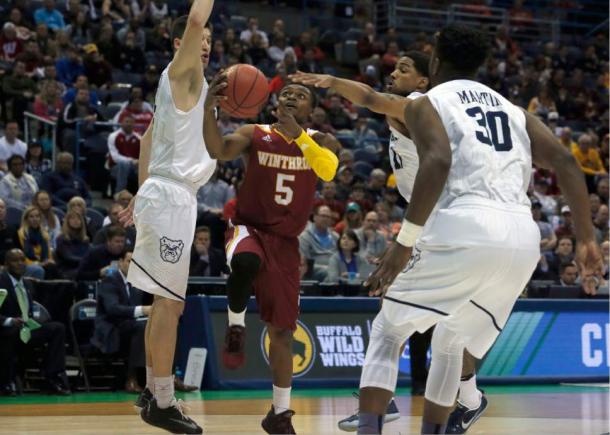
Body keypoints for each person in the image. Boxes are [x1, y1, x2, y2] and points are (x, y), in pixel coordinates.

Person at [293, 24, 602, 434]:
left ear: (434, 61)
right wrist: (586, 239)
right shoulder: (513, 110)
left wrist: (405, 242)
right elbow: (565, 160)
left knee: (388, 330)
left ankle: (371, 425)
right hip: (522, 238)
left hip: (463, 222)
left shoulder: (426, 103)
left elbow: (437, 161)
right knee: (450, 342)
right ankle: (456, 412)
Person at [293, 52, 435, 430]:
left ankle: (381, 405)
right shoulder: (411, 112)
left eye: (404, 70)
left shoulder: (417, 105)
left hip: (438, 225)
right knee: (444, 325)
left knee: (391, 325)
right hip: (433, 225)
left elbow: (370, 98)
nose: (394, 73)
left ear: (423, 81)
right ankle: (463, 397)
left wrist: (332, 80)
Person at [203, 80, 340, 433]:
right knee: (247, 261)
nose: (292, 97)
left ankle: (279, 414)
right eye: (287, 94)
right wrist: (208, 110)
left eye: (301, 95)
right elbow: (219, 149)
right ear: (276, 103)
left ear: (312, 110)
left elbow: (327, 171)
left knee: (282, 333)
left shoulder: (321, 141)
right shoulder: (255, 132)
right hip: (248, 226)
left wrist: (301, 136)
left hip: (285, 243)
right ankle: (235, 325)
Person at [118, 2, 217, 433]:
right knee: (169, 306)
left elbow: (146, 140)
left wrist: (142, 195)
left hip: (172, 196)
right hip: (172, 196)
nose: (207, 46)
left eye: (213, 43)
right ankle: (163, 400)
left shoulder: (191, 85)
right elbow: (196, 19)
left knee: (165, 303)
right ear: (182, 45)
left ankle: (150, 389)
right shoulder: (181, 72)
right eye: (202, 40)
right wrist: (150, 196)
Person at [0, 249, 71, 396]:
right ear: (6, 264)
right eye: (15, 260)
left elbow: (30, 310)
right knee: (11, 332)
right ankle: (7, 381)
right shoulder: (1, 282)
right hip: (6, 329)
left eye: (22, 260)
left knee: (57, 328)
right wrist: (9, 320)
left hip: (26, 328)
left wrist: (33, 320)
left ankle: (52, 377)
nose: (20, 264)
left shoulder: (27, 284)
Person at [93, 250, 151, 393]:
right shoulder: (110, 281)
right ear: (120, 262)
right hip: (112, 328)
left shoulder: (137, 284)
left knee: (163, 326)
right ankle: (131, 378)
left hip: (129, 326)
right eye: (129, 261)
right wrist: (143, 310)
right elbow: (112, 309)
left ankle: (170, 376)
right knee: (141, 327)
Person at [299, 205, 340, 282]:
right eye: (323, 216)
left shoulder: (336, 237)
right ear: (314, 217)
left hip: (334, 268)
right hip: (313, 271)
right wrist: (328, 268)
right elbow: (304, 263)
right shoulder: (304, 237)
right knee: (330, 272)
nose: (325, 219)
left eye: (328, 217)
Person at [54, 210, 90, 279]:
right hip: (66, 270)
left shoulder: (85, 240)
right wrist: (86, 261)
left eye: (78, 219)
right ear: (67, 221)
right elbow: (68, 258)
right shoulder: (61, 239)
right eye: (72, 218)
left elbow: (88, 255)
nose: (76, 221)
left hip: (82, 268)